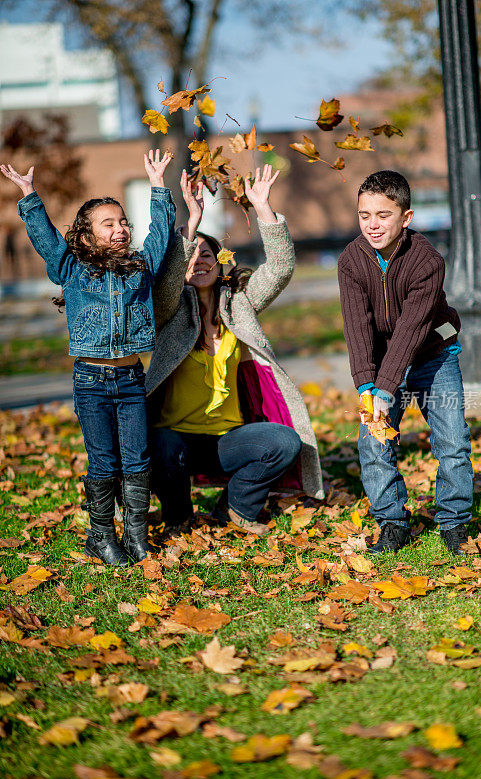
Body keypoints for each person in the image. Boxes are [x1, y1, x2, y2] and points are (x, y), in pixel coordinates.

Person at [1, 151, 175, 565]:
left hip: (132, 380)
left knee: (137, 459)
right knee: (103, 460)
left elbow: (161, 234)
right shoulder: (71, 267)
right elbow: (44, 237)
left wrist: (157, 187)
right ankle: (100, 535)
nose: (119, 229)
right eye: (108, 223)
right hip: (91, 382)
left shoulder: (141, 266)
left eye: (122, 222)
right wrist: (29, 194)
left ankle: (136, 534)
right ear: (85, 236)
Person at [147, 164, 324, 534]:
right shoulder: (171, 310)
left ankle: (235, 508)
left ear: (220, 264)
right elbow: (162, 292)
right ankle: (178, 516)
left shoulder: (238, 305)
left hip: (228, 440)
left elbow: (279, 269)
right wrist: (192, 221)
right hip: (175, 438)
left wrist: (262, 208)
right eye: (191, 257)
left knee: (284, 442)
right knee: (161, 444)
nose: (200, 261)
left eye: (208, 255)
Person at [338, 170, 473, 555]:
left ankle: (454, 522)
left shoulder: (426, 260)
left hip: (433, 354)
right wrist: (368, 386)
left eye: (383, 215)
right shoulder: (351, 260)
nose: (372, 225)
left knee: (452, 440)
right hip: (381, 363)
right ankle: (392, 523)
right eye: (364, 215)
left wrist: (385, 388)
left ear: (406, 218)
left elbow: (412, 330)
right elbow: (357, 327)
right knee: (373, 441)